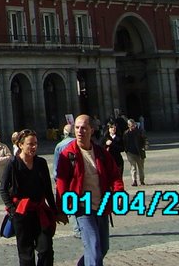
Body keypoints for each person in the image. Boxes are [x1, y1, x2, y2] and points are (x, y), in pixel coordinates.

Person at [55, 114, 124, 266]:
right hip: (82, 207)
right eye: (77, 128)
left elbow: (114, 175)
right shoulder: (68, 154)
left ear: (92, 130)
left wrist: (119, 192)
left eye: (84, 128)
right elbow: (61, 183)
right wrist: (61, 209)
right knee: (93, 247)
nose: (80, 131)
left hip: (101, 206)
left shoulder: (100, 153)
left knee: (103, 248)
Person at [1, 129, 65, 266]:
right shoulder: (12, 164)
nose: (34, 147)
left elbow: (48, 190)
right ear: (21, 145)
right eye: (30, 144)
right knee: (26, 254)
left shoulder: (41, 163)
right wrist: (13, 210)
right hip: (21, 213)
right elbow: (3, 189)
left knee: (46, 249)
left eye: (35, 143)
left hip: (40, 211)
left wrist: (55, 211)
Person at [122, 119, 146, 187]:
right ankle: (134, 181)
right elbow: (124, 142)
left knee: (141, 167)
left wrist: (144, 147)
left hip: (139, 152)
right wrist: (126, 150)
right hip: (130, 152)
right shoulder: (126, 133)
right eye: (131, 125)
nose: (133, 127)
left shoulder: (140, 131)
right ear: (128, 126)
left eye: (133, 125)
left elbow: (145, 139)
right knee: (133, 167)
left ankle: (142, 180)